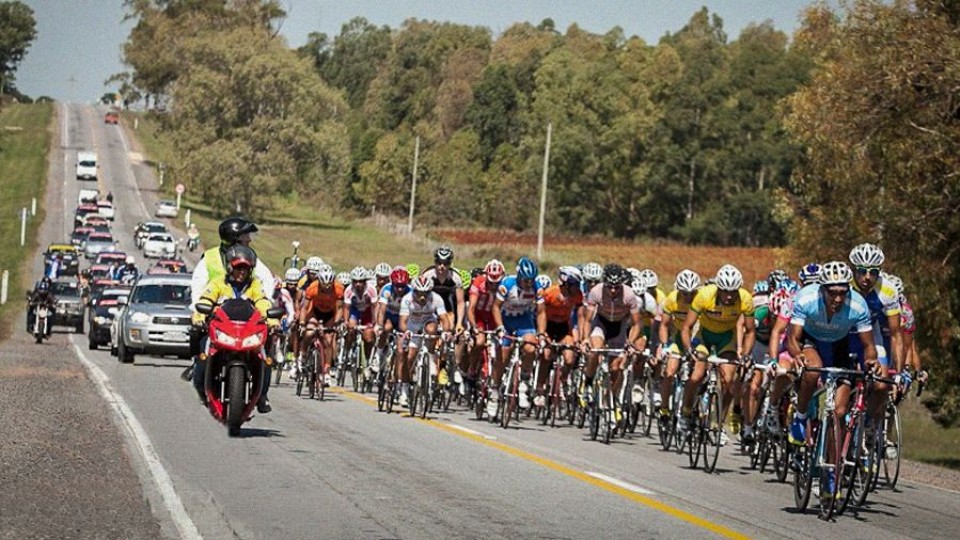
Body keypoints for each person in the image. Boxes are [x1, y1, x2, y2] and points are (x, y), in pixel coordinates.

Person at [785, 260, 877, 499]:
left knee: (839, 413)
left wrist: (871, 361)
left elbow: (869, 346)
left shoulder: (858, 305)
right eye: (832, 293)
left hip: (839, 346)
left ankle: (830, 473)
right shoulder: (805, 299)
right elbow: (792, 338)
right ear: (822, 289)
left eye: (842, 292)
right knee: (812, 370)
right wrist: (796, 356)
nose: (837, 298)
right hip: (811, 341)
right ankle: (800, 415)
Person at [192, 245, 277, 413]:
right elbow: (206, 299)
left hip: (247, 333)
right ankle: (202, 386)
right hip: (222, 331)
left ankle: (261, 396)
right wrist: (199, 317)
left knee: (265, 359)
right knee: (203, 355)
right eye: (238, 268)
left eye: (245, 269)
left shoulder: (254, 285)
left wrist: (272, 321)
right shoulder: (218, 283)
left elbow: (263, 302)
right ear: (230, 267)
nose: (242, 272)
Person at [678, 264, 755, 445]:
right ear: (718, 288)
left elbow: (750, 331)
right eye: (725, 291)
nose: (729, 296)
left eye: (733, 291)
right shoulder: (704, 295)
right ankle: (686, 412)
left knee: (729, 381)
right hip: (703, 337)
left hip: (726, 339)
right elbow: (686, 327)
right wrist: (689, 349)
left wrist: (745, 354)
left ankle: (717, 423)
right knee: (696, 376)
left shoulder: (745, 298)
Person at [579, 263, 647, 418]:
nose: (613, 290)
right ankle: (588, 382)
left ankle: (611, 399)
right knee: (595, 351)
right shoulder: (596, 291)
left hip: (619, 327)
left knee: (616, 369)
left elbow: (637, 323)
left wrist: (630, 342)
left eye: (617, 287)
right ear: (604, 283)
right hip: (601, 324)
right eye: (610, 287)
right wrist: (585, 340)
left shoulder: (629, 295)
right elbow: (588, 320)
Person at [489, 256, 545, 417]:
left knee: (530, 347)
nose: (528, 283)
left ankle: (524, 381)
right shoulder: (506, 285)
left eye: (531, 280)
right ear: (519, 276)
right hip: (505, 320)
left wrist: (540, 334)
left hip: (523, 320)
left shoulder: (537, 287)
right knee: (503, 355)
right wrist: (499, 327)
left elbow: (541, 312)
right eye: (525, 280)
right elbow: (495, 307)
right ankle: (494, 391)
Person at [656, 269, 702, 420]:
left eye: (691, 293)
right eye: (685, 293)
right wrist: (664, 345)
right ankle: (664, 408)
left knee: (699, 374)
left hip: (697, 337)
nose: (688, 297)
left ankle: (697, 402)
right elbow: (664, 325)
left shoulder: (701, 299)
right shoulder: (671, 299)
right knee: (669, 372)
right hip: (677, 339)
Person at [397, 275, 450, 407]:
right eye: (418, 293)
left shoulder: (436, 299)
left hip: (428, 323)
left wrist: (446, 332)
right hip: (412, 326)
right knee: (409, 357)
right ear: (413, 291)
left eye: (425, 294)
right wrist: (406, 331)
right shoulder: (407, 299)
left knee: (432, 330)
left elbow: (444, 319)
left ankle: (431, 358)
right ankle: (404, 389)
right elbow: (402, 322)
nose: (422, 297)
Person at [537, 266, 585, 407]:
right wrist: (542, 332)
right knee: (546, 356)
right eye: (574, 285)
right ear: (566, 283)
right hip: (549, 327)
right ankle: (540, 388)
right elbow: (541, 313)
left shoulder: (577, 295)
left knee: (570, 359)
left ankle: (563, 379)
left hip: (564, 328)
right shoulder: (550, 293)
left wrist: (581, 338)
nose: (577, 288)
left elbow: (581, 316)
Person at [466, 259, 505, 392]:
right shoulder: (478, 282)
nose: (494, 286)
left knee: (500, 345)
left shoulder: (505, 285)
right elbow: (471, 308)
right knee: (480, 341)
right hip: (479, 315)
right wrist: (474, 326)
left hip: (494, 317)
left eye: (497, 283)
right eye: (491, 283)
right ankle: (472, 369)